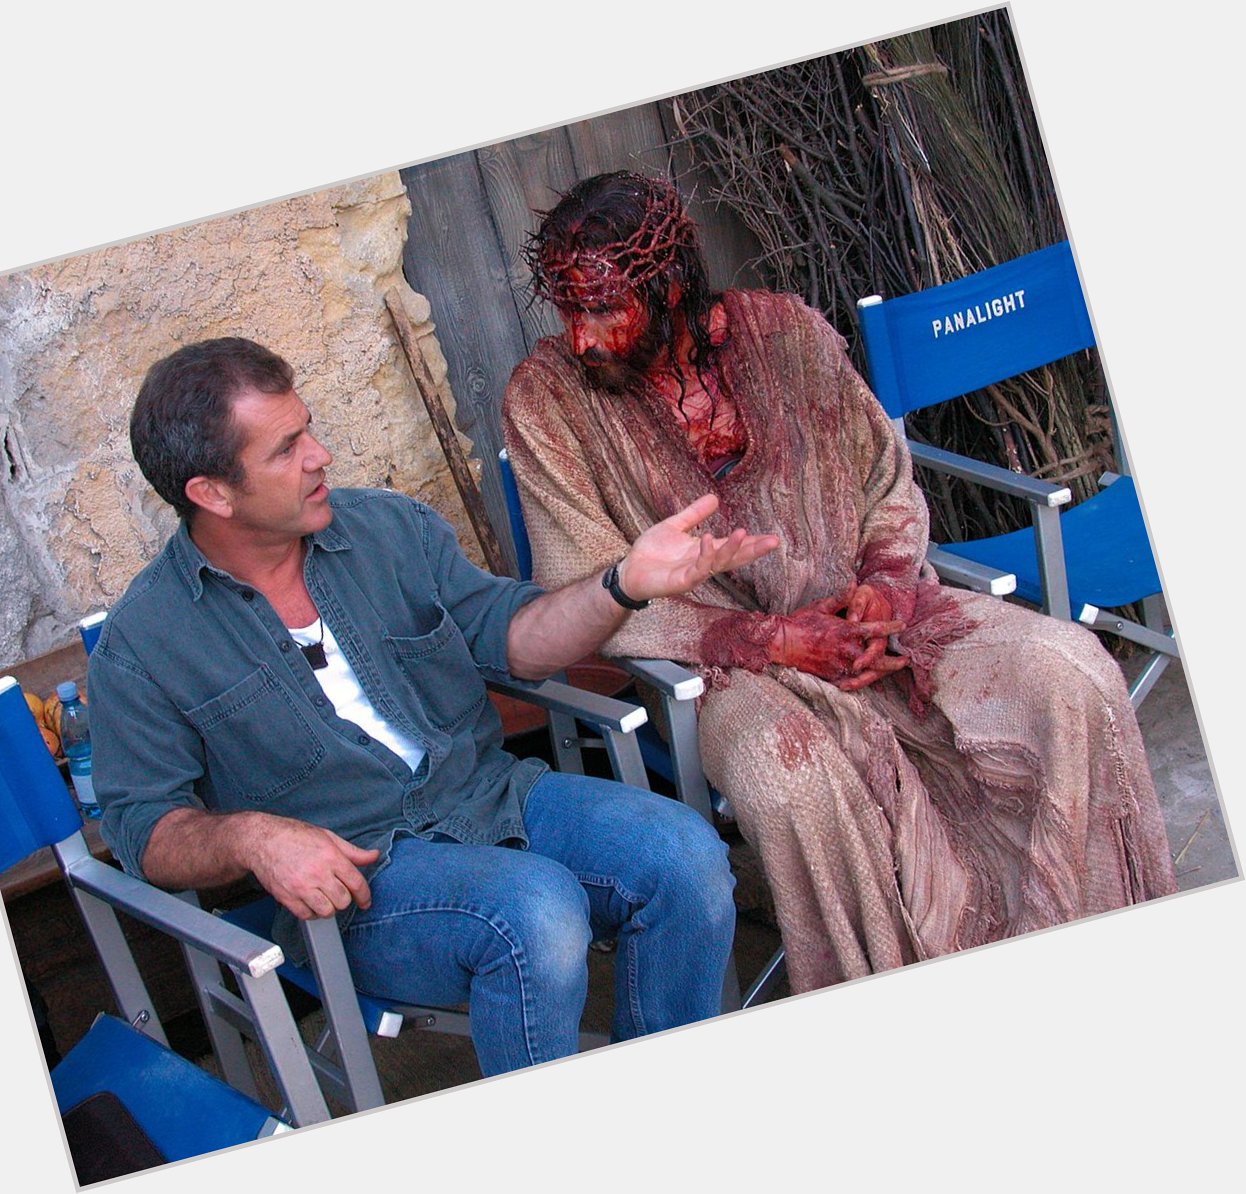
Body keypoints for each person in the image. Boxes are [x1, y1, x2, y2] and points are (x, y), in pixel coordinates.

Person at [501, 171, 1177, 994]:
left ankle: (1085, 939)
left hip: (878, 613)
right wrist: (770, 639)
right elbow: (585, 584)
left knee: (1071, 672)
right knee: (796, 784)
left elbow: (885, 483)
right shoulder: (546, 401)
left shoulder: (787, 333)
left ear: (669, 282)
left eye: (603, 309)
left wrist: (889, 588)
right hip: (723, 668)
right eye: (568, 311)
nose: (582, 340)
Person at [89, 336, 781, 1076]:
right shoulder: (146, 641)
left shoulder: (387, 531)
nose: (320, 455)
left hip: (487, 796)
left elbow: (517, 639)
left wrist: (623, 584)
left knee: (688, 858)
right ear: (212, 494)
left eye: (309, 429)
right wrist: (255, 838)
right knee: (536, 913)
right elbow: (143, 828)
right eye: (287, 449)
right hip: (364, 884)